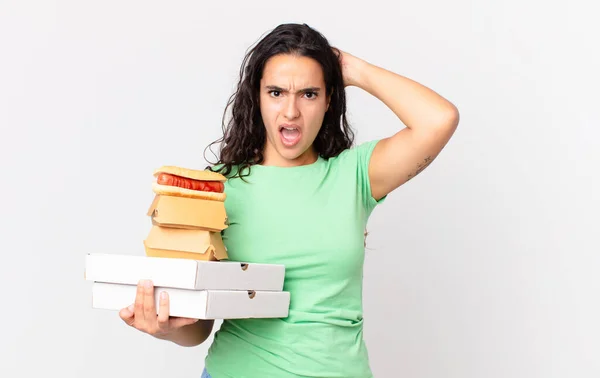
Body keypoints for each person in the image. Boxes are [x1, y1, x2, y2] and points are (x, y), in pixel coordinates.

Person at [119, 23, 459, 377]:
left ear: (330, 99)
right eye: (276, 92)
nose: (291, 111)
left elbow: (439, 119)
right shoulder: (216, 187)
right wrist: (168, 327)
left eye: (309, 94)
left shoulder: (354, 175)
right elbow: (199, 326)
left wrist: (352, 69)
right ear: (257, 97)